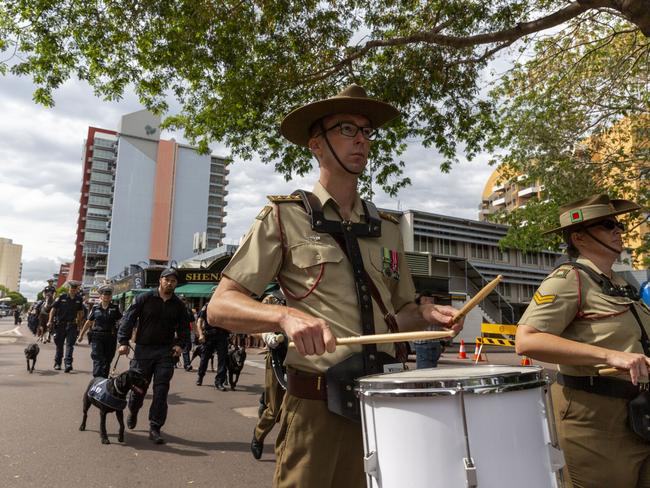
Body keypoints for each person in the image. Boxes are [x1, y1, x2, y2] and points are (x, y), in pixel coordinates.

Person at [208, 84, 464, 487]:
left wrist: (429, 314)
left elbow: (402, 312)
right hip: (316, 407)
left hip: (385, 405)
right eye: (347, 129)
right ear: (317, 145)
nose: (362, 138)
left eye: (366, 130)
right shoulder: (284, 216)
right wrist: (284, 317)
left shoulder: (389, 229)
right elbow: (220, 306)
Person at [515, 194, 650, 488]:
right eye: (607, 225)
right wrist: (611, 356)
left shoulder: (621, 283)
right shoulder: (568, 279)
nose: (618, 230)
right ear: (579, 237)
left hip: (639, 410)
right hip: (595, 417)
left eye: (618, 224)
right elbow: (526, 340)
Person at [116, 268, 190, 444]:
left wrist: (180, 345)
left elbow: (184, 329)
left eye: (173, 281)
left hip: (165, 352)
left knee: (161, 390)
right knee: (138, 389)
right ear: (161, 281)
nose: (170, 283)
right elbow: (129, 319)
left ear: (176, 284)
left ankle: (155, 427)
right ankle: (133, 410)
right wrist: (123, 342)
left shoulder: (179, 306)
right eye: (167, 280)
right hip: (143, 351)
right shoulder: (144, 298)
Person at [251, 292, 288, 461]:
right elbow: (254, 326)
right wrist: (266, 335)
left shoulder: (307, 297)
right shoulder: (272, 299)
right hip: (277, 358)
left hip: (301, 359)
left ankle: (285, 451)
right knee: (274, 410)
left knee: (296, 409)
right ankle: (258, 435)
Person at [78, 285, 122, 378]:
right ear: (101, 296)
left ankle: (103, 380)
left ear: (111, 297)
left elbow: (121, 322)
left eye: (108, 295)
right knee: (97, 358)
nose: (106, 297)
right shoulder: (95, 308)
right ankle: (97, 379)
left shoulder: (115, 308)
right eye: (104, 295)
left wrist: (122, 339)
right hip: (97, 336)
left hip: (111, 337)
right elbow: (89, 322)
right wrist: (81, 335)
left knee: (107, 359)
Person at [48, 280, 85, 372]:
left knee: (70, 345)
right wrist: (50, 321)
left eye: (74, 289)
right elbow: (53, 310)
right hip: (60, 324)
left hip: (72, 325)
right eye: (71, 288)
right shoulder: (61, 297)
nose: (73, 290)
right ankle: (57, 363)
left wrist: (80, 325)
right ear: (69, 289)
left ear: (77, 290)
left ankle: (68, 363)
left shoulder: (79, 299)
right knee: (59, 345)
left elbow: (80, 312)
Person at [194, 300, 229, 390]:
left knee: (222, 359)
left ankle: (219, 382)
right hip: (209, 336)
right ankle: (200, 376)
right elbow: (199, 321)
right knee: (204, 358)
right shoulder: (207, 306)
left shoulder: (226, 306)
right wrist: (201, 334)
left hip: (222, 336)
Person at [413, 291, 444, 369]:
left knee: (424, 373)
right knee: (431, 370)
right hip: (435, 344)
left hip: (423, 344)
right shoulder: (436, 310)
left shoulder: (421, 311)